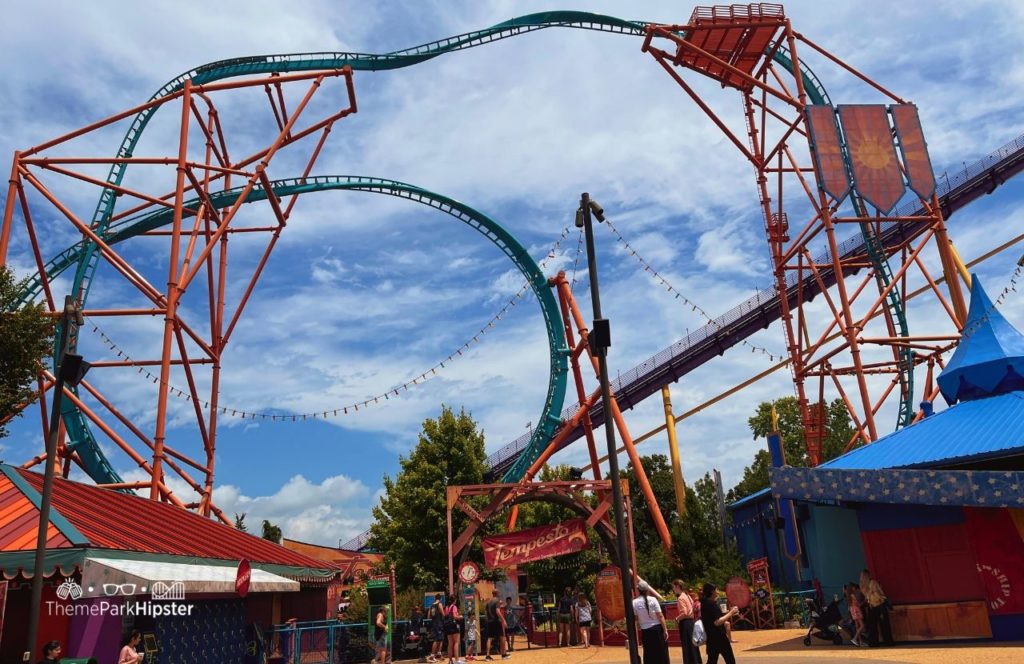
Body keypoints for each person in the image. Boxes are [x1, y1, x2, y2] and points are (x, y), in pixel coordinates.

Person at [633, 580, 669, 664]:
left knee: (649, 653)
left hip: (645, 631)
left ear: (638, 590)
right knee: (660, 652)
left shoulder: (634, 602)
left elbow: (636, 618)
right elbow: (660, 616)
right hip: (657, 629)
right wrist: (665, 630)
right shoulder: (653, 599)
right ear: (647, 590)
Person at [700, 583, 737, 664]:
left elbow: (713, 618)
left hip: (711, 638)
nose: (718, 592)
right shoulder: (711, 604)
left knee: (712, 661)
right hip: (719, 637)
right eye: (716, 590)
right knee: (730, 660)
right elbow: (717, 622)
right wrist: (731, 613)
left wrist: (727, 613)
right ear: (712, 591)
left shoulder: (705, 603)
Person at [672, 580, 702, 664]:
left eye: (674, 587)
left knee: (687, 646)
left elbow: (684, 612)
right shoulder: (687, 595)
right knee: (693, 645)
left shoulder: (681, 598)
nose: (673, 589)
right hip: (691, 622)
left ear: (678, 586)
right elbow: (691, 608)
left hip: (685, 623)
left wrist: (677, 618)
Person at [865, 579, 893, 647]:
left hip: (872, 609)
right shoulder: (876, 591)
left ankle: (873, 643)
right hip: (880, 608)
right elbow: (880, 599)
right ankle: (888, 642)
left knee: (873, 627)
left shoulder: (868, 593)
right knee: (884, 626)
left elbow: (868, 601)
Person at [484, 590, 509, 660]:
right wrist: (503, 620)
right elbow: (497, 611)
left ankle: (487, 656)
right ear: (497, 593)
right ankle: (503, 654)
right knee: (502, 637)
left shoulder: (488, 602)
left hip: (490, 621)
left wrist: (488, 620)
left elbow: (486, 612)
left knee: (489, 638)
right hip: (496, 621)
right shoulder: (497, 601)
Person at [444, 593, 462, 664]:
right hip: (454, 626)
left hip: (448, 626)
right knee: (456, 642)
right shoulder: (454, 606)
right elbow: (455, 616)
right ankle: (457, 660)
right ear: (454, 600)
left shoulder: (447, 607)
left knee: (450, 643)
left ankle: (450, 660)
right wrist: (460, 617)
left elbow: (446, 616)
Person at [428, 594, 445, 663]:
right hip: (439, 624)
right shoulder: (439, 604)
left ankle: (439, 654)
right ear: (440, 599)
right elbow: (443, 614)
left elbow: (429, 616)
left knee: (440, 639)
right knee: (436, 640)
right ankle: (432, 656)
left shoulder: (431, 605)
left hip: (433, 623)